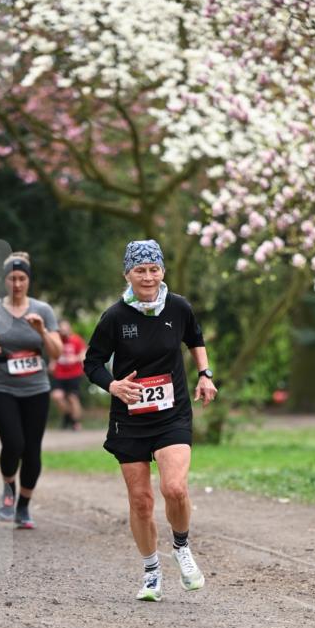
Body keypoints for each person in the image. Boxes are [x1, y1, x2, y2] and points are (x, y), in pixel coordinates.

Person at [84, 239, 217, 602]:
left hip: (172, 413)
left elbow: (195, 337)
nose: (148, 276)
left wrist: (205, 374)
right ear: (127, 274)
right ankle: (151, 572)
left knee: (174, 488)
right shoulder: (114, 317)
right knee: (141, 500)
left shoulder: (178, 307)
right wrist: (113, 385)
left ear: (163, 271)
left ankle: (182, 546)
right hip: (130, 418)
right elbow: (91, 363)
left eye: (153, 269)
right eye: (140, 270)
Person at [0, 251, 62, 529]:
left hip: (36, 387)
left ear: (28, 280)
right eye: (12, 278)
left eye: (22, 278)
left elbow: (56, 352)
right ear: (5, 280)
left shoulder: (42, 310)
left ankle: (23, 506)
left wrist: (42, 332)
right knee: (13, 442)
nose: (17, 283)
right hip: (1, 386)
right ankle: (8, 488)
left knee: (32, 450)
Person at [49, 319, 87, 430]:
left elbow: (84, 355)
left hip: (74, 373)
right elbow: (53, 355)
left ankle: (76, 422)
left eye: (65, 328)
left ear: (69, 328)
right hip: (59, 374)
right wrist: (52, 364)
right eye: (61, 328)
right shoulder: (56, 341)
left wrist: (74, 358)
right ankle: (68, 416)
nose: (63, 330)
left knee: (72, 397)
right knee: (57, 396)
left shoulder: (76, 340)